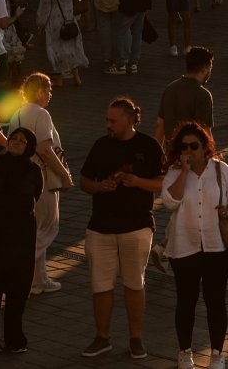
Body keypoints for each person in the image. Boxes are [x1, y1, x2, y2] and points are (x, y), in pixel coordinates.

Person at [79, 97, 165, 360]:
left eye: (112, 121)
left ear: (130, 120)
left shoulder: (148, 146)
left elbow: (162, 183)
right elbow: (84, 180)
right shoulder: (101, 145)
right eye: (107, 120)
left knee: (134, 284)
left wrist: (137, 181)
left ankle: (135, 338)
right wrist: (98, 187)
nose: (108, 125)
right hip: (100, 226)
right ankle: (102, 337)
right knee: (100, 285)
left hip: (136, 226)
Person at [160, 121, 228, 369]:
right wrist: (184, 172)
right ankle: (185, 352)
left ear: (205, 147)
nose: (189, 151)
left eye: (194, 146)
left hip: (215, 248)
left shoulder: (221, 170)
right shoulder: (175, 174)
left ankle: (217, 354)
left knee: (215, 301)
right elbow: (170, 202)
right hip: (184, 247)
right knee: (185, 301)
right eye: (184, 147)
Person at [0, 126, 43, 355]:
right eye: (13, 138)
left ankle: (15, 338)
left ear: (29, 146)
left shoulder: (33, 170)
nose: (16, 142)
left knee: (18, 292)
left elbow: (36, 195)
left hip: (22, 238)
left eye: (22, 141)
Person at [10, 72, 73, 294]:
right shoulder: (42, 114)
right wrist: (64, 173)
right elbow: (45, 148)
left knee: (33, 227)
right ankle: (16, 272)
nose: (50, 95)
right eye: (48, 90)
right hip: (42, 179)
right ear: (39, 91)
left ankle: (38, 279)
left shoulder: (17, 113)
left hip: (21, 178)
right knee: (46, 227)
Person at [38, 0, 87, 87]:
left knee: (56, 49)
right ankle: (77, 77)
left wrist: (40, 23)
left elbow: (45, 6)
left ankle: (59, 79)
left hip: (54, 21)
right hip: (69, 19)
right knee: (71, 48)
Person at [156, 46, 215, 149]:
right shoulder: (203, 95)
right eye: (210, 68)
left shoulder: (170, 88)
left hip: (171, 154)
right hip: (192, 156)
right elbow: (205, 132)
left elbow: (160, 125)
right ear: (204, 69)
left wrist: (157, 154)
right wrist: (212, 156)